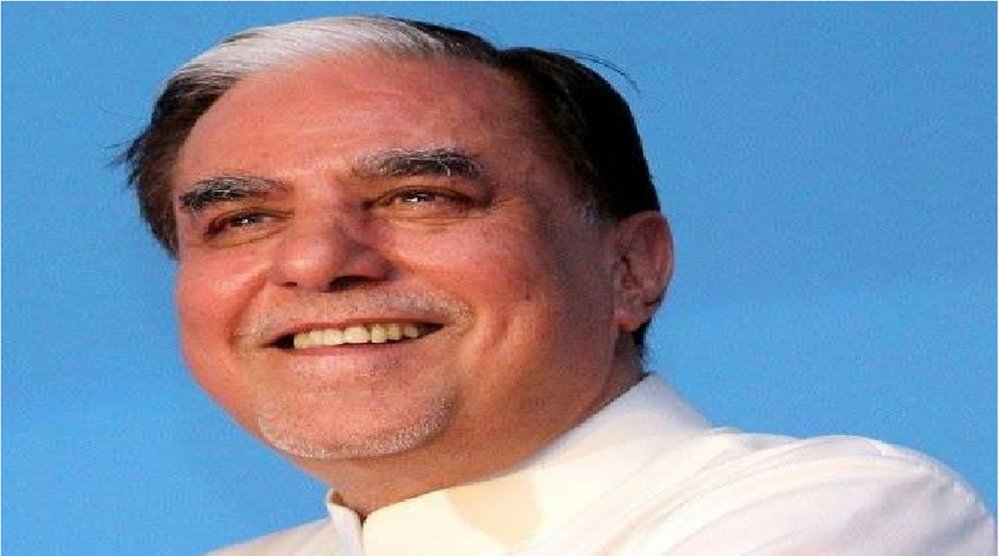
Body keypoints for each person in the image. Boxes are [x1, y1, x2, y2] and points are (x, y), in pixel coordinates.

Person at [121, 15, 995, 555]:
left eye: (420, 197)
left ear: (631, 268)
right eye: (242, 220)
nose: (317, 261)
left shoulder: (844, 515)